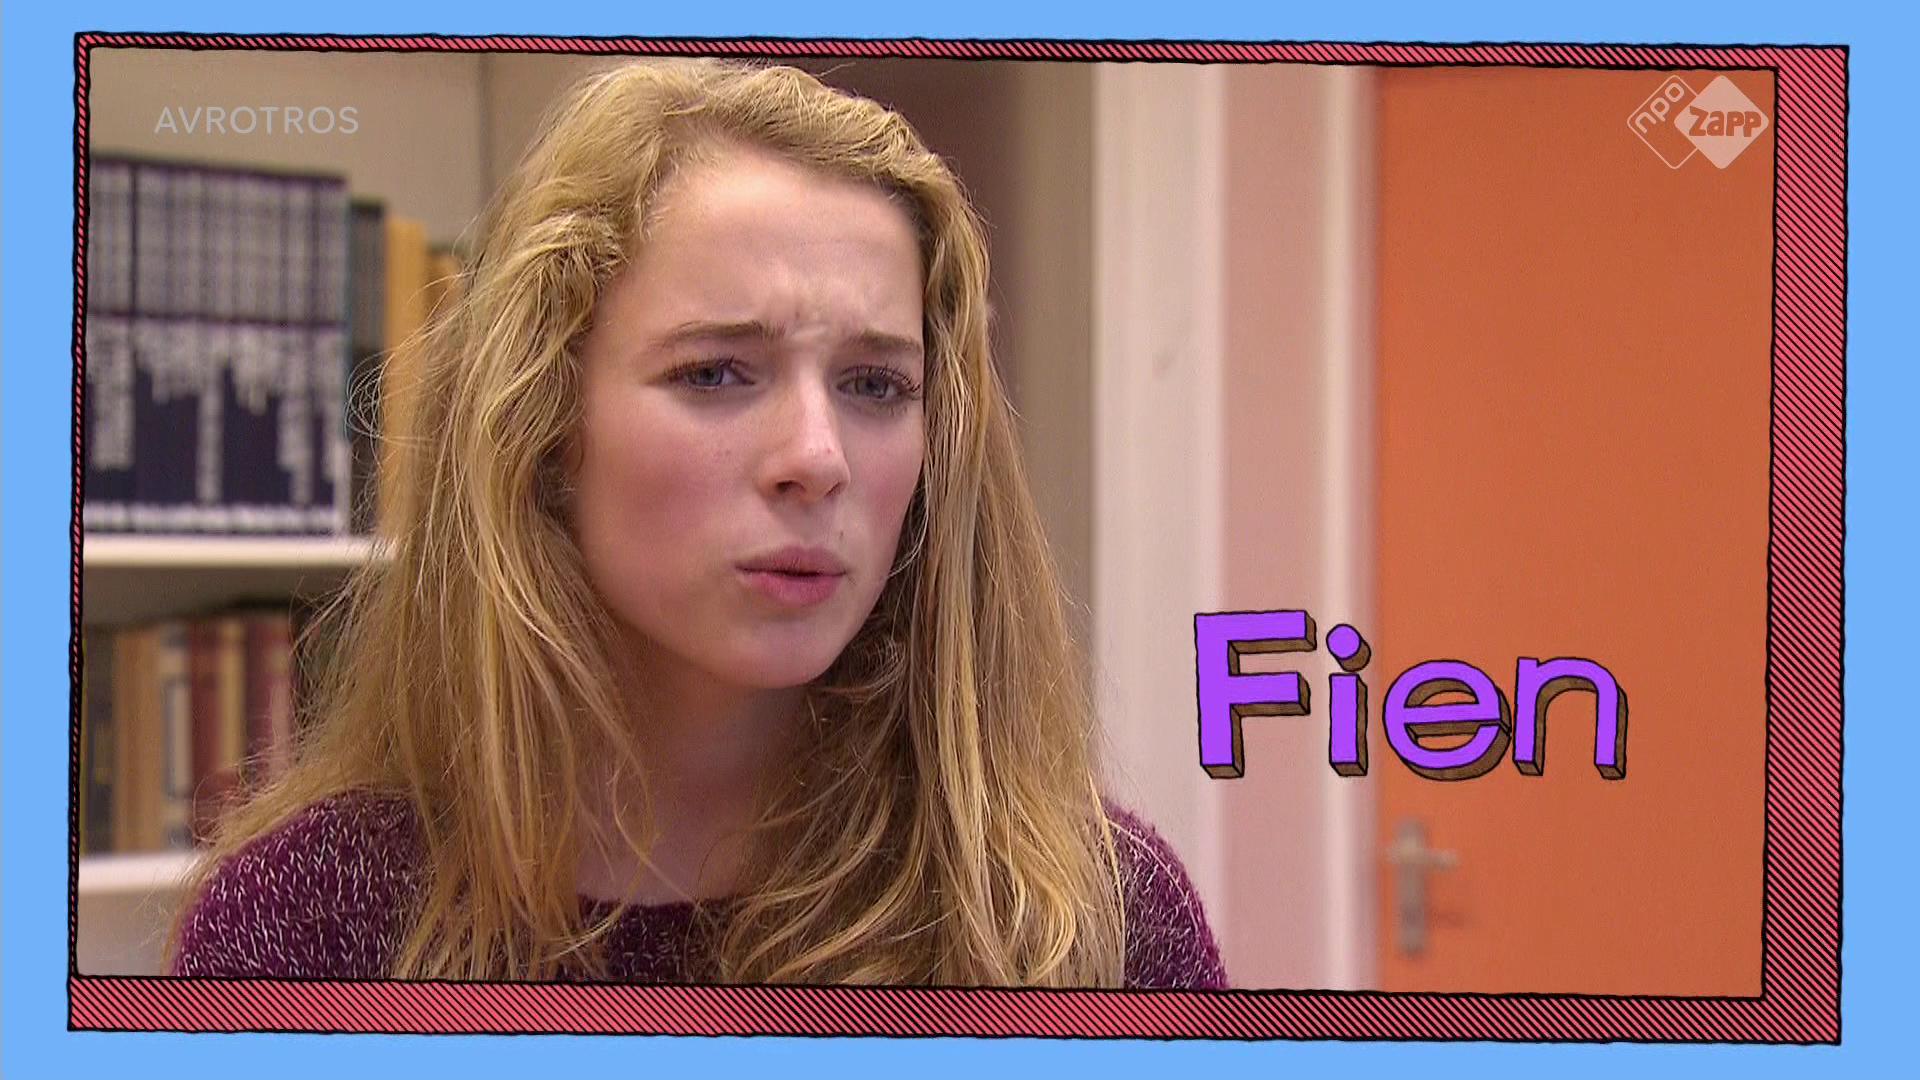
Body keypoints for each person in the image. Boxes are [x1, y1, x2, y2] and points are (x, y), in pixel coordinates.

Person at [168, 58, 1227, 989]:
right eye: (716, 372)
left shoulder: (1091, 923)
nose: (817, 458)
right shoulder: (304, 925)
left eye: (874, 384)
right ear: (543, 428)